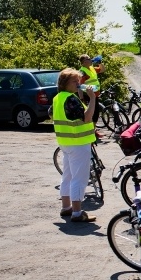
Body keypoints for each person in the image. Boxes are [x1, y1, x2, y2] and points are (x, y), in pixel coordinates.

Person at [53, 68, 97, 222]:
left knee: (68, 175)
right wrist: (92, 98)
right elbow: (87, 118)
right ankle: (77, 213)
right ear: (65, 83)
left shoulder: (58, 97)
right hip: (78, 142)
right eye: (75, 81)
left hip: (65, 142)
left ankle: (66, 207)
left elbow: (52, 113)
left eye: (79, 81)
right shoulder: (70, 99)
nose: (78, 84)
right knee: (79, 178)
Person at [78, 54, 103, 124]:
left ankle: (93, 128)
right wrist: (82, 99)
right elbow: (79, 86)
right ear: (84, 62)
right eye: (88, 59)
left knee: (96, 113)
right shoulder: (82, 72)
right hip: (88, 95)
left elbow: (102, 69)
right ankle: (92, 129)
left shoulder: (92, 68)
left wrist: (100, 63)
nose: (91, 59)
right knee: (93, 114)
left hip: (95, 94)